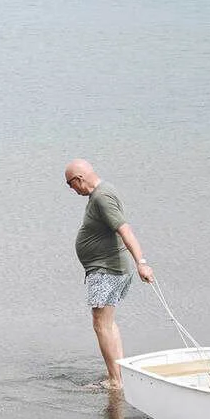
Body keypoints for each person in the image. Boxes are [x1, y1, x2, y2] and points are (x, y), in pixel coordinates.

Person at [65, 158, 154, 389]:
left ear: (79, 179)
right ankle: (119, 376)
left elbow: (125, 229)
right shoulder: (103, 191)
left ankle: (115, 381)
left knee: (101, 324)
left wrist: (141, 262)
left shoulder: (102, 197)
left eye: (70, 184)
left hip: (107, 269)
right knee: (107, 323)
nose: (71, 189)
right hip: (109, 268)